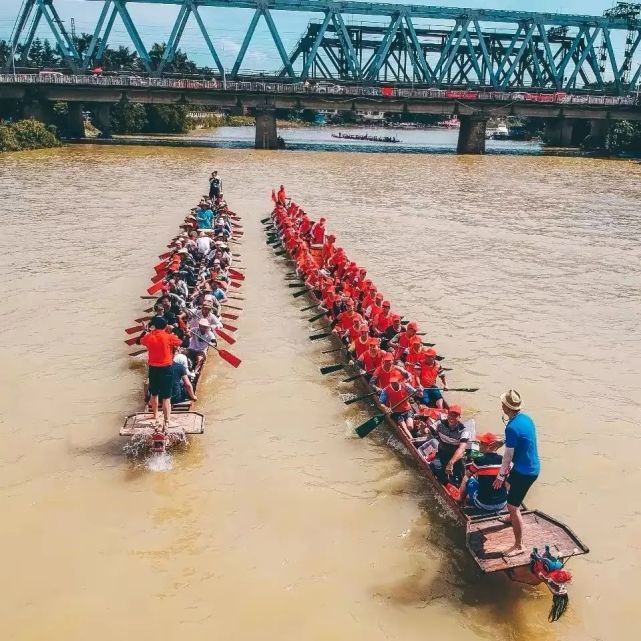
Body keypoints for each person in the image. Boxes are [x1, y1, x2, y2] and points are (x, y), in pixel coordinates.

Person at [492, 389, 540, 557]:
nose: (501, 405)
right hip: (532, 466)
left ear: (507, 407)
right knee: (509, 485)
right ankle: (510, 517)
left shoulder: (511, 427)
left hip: (524, 472)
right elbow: (523, 437)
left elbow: (507, 456)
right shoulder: (526, 419)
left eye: (502, 404)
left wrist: (500, 475)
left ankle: (519, 545)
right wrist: (503, 441)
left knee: (513, 506)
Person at [140, 316, 182, 428]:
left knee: (154, 394)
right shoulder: (169, 337)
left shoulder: (149, 337)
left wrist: (147, 331)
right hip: (166, 369)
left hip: (153, 369)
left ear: (155, 326)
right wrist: (173, 332)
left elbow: (140, 341)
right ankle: (167, 420)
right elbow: (180, 342)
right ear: (165, 326)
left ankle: (155, 416)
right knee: (166, 397)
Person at [457, 432, 508, 512]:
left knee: (469, 480)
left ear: (489, 446)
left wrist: (460, 495)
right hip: (503, 503)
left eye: (481, 443)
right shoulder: (503, 459)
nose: (479, 445)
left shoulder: (479, 460)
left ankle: (462, 501)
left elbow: (467, 476)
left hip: (484, 505)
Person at [430, 405, 472, 485]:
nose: (452, 418)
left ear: (459, 417)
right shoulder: (440, 423)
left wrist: (451, 463)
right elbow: (429, 430)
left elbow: (462, 448)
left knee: (460, 479)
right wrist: (424, 429)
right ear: (447, 415)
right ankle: (444, 483)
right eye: (450, 415)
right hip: (442, 454)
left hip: (456, 458)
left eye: (455, 416)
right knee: (435, 467)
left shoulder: (464, 430)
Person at [379, 371, 417, 440]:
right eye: (392, 382)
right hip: (396, 412)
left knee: (410, 427)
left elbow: (417, 393)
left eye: (395, 382)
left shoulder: (406, 386)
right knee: (403, 426)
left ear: (399, 381)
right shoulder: (385, 390)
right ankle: (411, 439)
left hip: (407, 410)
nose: (393, 384)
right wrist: (386, 408)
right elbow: (381, 403)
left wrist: (419, 390)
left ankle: (411, 431)